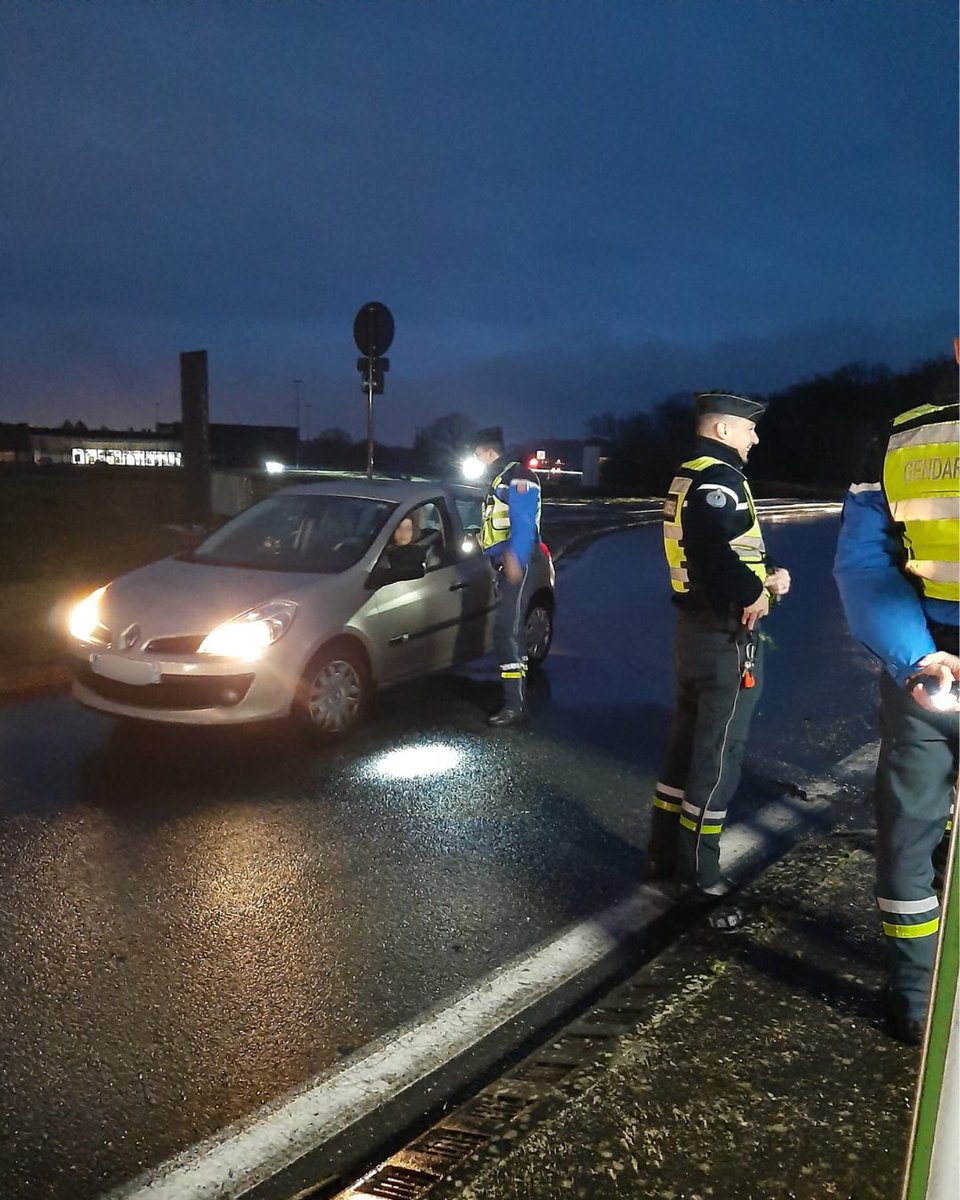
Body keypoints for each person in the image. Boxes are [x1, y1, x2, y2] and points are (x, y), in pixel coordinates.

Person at [833, 393, 959, 1045]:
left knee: (911, 829)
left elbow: (863, 566)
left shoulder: (901, 437)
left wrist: (914, 658)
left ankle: (915, 996)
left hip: (932, 666)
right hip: (931, 663)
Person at [645, 391, 791, 927]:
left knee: (683, 749)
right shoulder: (720, 479)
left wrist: (769, 567)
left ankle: (662, 857)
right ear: (725, 429)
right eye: (749, 430)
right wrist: (757, 593)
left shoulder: (694, 473)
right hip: (723, 635)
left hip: (694, 631)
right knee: (718, 756)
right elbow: (715, 551)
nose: (755, 438)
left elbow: (735, 542)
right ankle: (701, 880)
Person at [473, 426, 542, 727]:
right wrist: (484, 542)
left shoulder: (518, 477)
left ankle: (515, 705)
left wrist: (515, 557)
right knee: (510, 632)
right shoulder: (499, 479)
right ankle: (515, 697)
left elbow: (524, 522)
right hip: (505, 563)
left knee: (506, 632)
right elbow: (496, 522)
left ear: (488, 452)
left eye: (477, 456)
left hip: (519, 565)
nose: (477, 461)